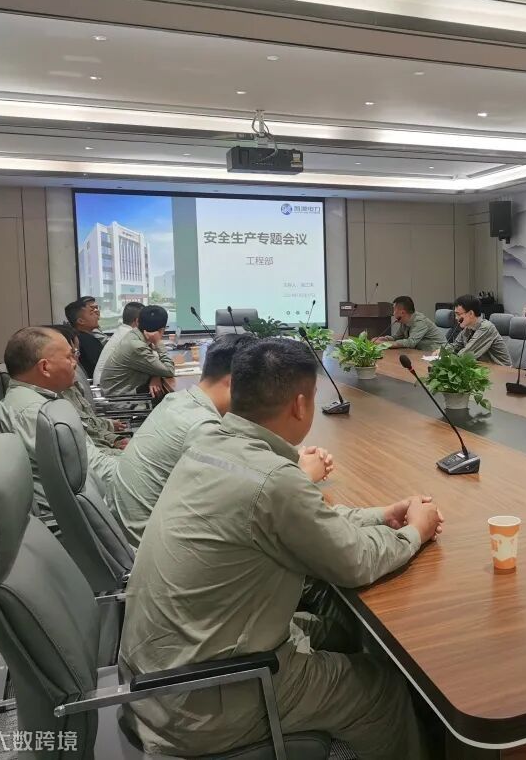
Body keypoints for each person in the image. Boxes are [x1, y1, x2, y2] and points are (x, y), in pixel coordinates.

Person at [119, 338, 443, 759]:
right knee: (383, 688)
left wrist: (380, 515)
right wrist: (415, 532)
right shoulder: (273, 479)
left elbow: (306, 520)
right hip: (207, 699)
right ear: (301, 405)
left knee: (342, 628)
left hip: (165, 675)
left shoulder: (209, 444)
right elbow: (356, 561)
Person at [110, 333, 256, 546]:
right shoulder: (204, 426)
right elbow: (241, 498)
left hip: (127, 535)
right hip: (151, 547)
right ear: (234, 383)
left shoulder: (176, 400)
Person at [0, 326, 119, 515]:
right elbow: (97, 472)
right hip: (96, 509)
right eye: (69, 356)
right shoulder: (39, 413)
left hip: (95, 497)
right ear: (45, 368)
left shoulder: (33, 399)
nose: (75, 363)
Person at [50, 324, 130, 451]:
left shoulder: (68, 384)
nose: (76, 361)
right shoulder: (57, 394)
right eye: (72, 353)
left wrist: (114, 439)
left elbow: (89, 424)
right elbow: (88, 441)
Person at [99, 304, 176, 397]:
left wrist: (156, 374)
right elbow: (169, 370)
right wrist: (158, 343)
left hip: (125, 392)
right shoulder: (137, 346)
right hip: (122, 400)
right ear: (161, 330)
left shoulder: (133, 335)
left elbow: (155, 365)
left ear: (138, 322)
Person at [441, 293, 511, 367]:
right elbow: (456, 346)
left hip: (501, 370)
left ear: (471, 313)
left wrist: (447, 358)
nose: (456, 318)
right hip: (483, 367)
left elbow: (466, 354)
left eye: (458, 314)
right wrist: (442, 351)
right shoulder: (468, 328)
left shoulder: (486, 328)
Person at [374, 295, 447, 351]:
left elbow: (411, 342)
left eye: (394, 310)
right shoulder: (404, 321)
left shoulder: (420, 321)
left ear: (402, 312)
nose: (393, 313)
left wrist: (384, 344)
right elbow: (397, 337)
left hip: (437, 353)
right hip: (422, 353)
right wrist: (384, 339)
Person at [94, 301, 143, 382]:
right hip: (108, 387)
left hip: (105, 383)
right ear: (137, 321)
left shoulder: (123, 330)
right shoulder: (130, 336)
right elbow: (155, 366)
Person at [64, 295, 106, 377]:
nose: (97, 314)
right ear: (81, 321)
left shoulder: (82, 336)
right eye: (91, 312)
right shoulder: (87, 340)